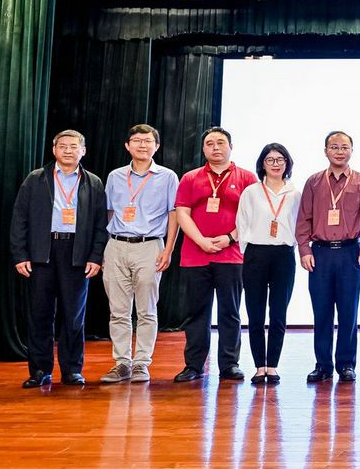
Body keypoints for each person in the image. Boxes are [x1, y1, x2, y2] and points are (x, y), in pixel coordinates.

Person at [10, 130, 108, 388]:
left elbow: (101, 224)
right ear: (54, 150)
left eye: (73, 146)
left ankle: (72, 370)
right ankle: (40, 370)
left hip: (77, 253)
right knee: (40, 314)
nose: (67, 150)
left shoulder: (93, 182)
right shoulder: (36, 179)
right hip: (42, 251)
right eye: (62, 146)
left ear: (83, 151)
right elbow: (19, 218)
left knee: (73, 315)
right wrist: (20, 254)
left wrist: (95, 256)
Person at [173, 127, 257, 383]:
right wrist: (201, 240)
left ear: (231, 147)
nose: (215, 147)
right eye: (210, 143)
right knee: (196, 312)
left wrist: (230, 237)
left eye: (221, 142)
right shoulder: (190, 178)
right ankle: (194, 365)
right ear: (203, 149)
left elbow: (253, 216)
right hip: (195, 254)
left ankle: (229, 364)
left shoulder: (247, 178)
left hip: (231, 255)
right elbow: (182, 213)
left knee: (230, 311)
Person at [99, 124, 179, 384]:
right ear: (127, 145)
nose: (142, 145)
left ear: (157, 146)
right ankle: (122, 363)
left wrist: (168, 249)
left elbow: (174, 214)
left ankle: (142, 363)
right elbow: (108, 212)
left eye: (147, 141)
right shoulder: (115, 176)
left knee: (146, 309)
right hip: (116, 245)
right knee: (118, 310)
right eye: (137, 140)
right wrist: (104, 248)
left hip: (150, 245)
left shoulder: (167, 177)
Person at [296, 131, 360, 383]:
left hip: (350, 253)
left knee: (348, 311)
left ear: (351, 150)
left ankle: (346, 364)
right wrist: (304, 250)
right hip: (319, 254)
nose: (339, 152)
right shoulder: (313, 182)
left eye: (344, 147)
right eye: (334, 147)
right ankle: (322, 365)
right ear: (325, 151)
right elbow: (304, 218)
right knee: (321, 312)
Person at [236, 143, 300, 385]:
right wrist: (249, 252)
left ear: (287, 163)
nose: (275, 164)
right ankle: (258, 366)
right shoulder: (251, 192)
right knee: (255, 313)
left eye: (280, 159)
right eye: (270, 159)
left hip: (284, 255)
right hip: (256, 254)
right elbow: (242, 223)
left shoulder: (295, 193)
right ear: (262, 164)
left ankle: (272, 366)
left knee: (278, 313)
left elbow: (300, 225)